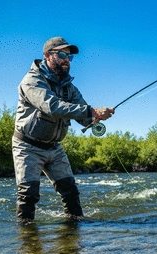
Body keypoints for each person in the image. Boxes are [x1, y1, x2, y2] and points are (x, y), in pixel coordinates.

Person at [12, 36, 114, 222]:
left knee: (70, 193)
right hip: (27, 146)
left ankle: (74, 240)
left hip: (54, 147)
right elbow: (52, 107)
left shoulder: (70, 88)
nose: (66, 59)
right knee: (28, 195)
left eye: (69, 57)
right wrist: (90, 111)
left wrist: (95, 117)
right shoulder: (32, 80)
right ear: (47, 56)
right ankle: (26, 243)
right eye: (61, 54)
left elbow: (83, 115)